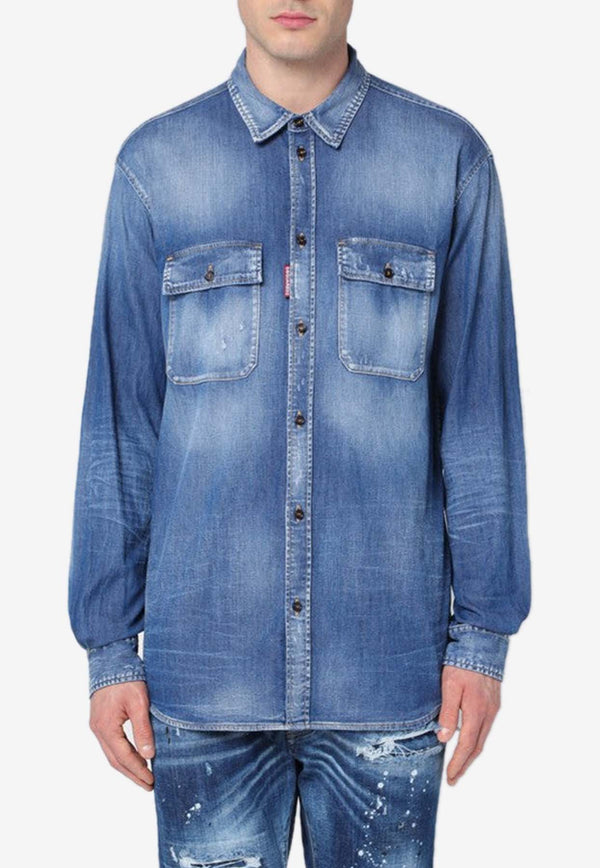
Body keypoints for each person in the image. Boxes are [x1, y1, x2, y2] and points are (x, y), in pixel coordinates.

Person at [67, 1, 531, 865]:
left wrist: (482, 639)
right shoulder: (155, 169)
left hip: (389, 683)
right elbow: (120, 429)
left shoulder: (448, 161)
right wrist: (108, 651)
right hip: (201, 688)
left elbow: (479, 419)